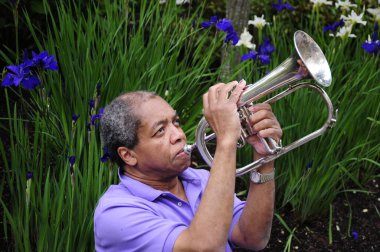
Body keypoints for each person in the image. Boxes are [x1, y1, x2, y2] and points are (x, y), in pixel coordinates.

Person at [94, 79, 282, 251]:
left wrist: (264, 159)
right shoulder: (115, 213)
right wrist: (226, 139)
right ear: (128, 155)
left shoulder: (199, 178)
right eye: (160, 131)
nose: (178, 135)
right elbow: (204, 248)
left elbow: (252, 237)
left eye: (176, 123)